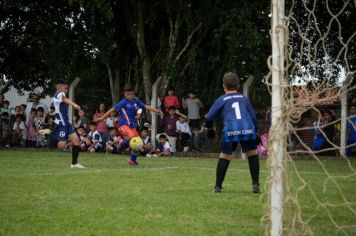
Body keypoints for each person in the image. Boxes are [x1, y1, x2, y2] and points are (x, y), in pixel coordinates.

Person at [205, 72, 260, 193]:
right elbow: (253, 117)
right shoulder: (244, 99)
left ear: (223, 85)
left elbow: (209, 118)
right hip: (248, 128)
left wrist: (209, 128)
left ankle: (218, 187)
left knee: (225, 156)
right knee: (252, 153)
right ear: (239, 86)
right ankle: (255, 184)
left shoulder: (222, 99)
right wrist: (255, 132)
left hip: (231, 130)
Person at [96, 84, 163, 165]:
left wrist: (157, 111)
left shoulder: (136, 101)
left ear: (133, 93)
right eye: (128, 94)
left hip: (132, 126)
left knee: (138, 142)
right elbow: (112, 110)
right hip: (123, 126)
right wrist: (102, 118)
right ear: (124, 94)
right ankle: (121, 142)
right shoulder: (123, 102)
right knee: (131, 137)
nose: (130, 96)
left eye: (131, 94)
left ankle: (132, 160)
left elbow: (146, 106)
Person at [52, 81, 84, 168]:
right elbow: (64, 99)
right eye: (65, 88)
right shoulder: (59, 94)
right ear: (59, 88)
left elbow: (54, 107)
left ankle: (74, 164)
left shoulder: (56, 96)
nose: (66, 90)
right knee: (61, 145)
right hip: (61, 124)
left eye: (67, 88)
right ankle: (51, 136)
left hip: (67, 123)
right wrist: (74, 105)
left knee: (76, 141)